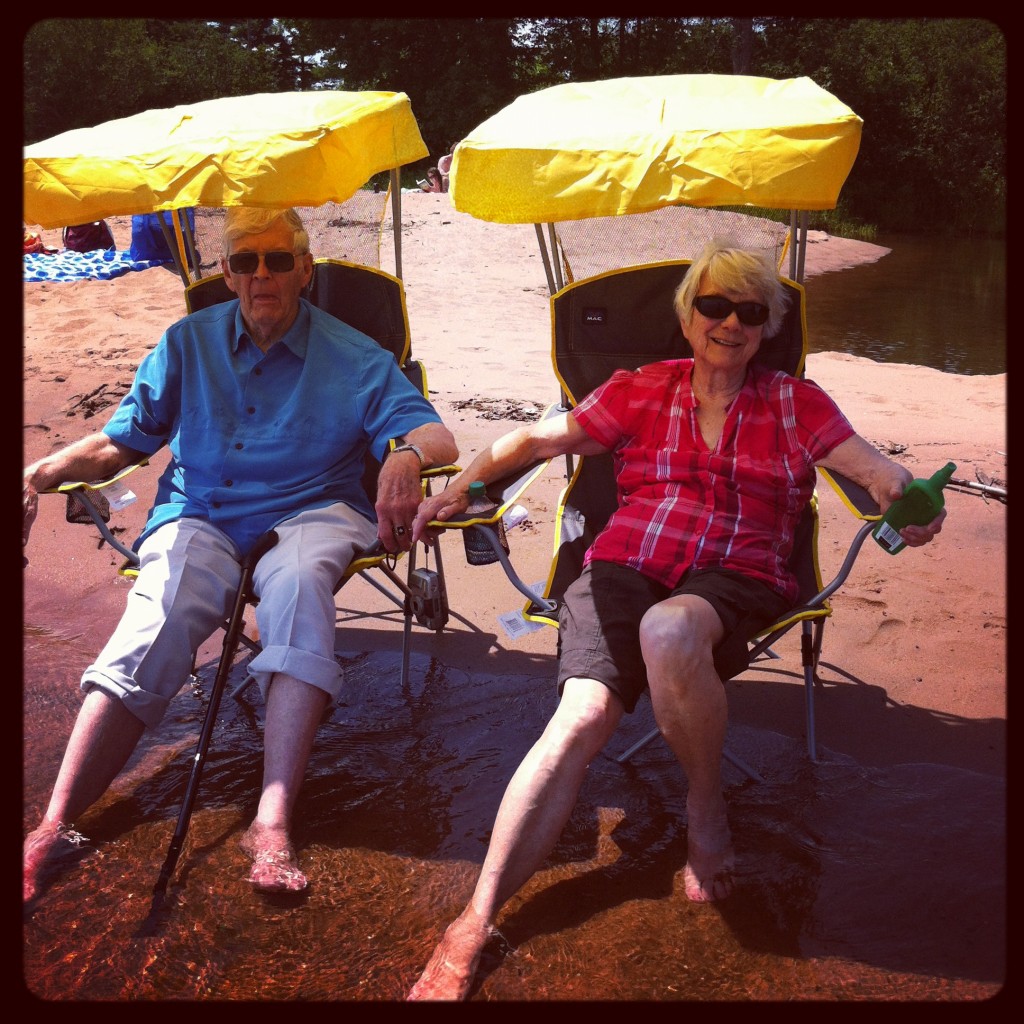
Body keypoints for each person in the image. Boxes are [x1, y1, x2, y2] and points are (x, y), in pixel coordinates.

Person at [406, 240, 946, 1000]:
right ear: (689, 315)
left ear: (768, 327)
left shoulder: (797, 402)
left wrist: (908, 496)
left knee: (670, 632)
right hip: (625, 564)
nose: (730, 323)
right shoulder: (642, 389)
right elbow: (534, 439)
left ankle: (704, 806)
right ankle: (475, 917)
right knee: (578, 718)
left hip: (735, 576)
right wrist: (458, 488)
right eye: (714, 306)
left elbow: (871, 467)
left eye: (750, 312)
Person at [23, 206, 458, 900]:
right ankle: (54, 823)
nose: (262, 275)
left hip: (314, 507)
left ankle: (272, 823)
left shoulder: (354, 355)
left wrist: (404, 454)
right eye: (246, 261)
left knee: (300, 586)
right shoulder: (184, 343)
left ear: (305, 271)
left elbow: (438, 437)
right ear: (225, 273)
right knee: (158, 611)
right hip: (201, 511)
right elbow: (120, 443)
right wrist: (38, 474)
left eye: (279, 260)